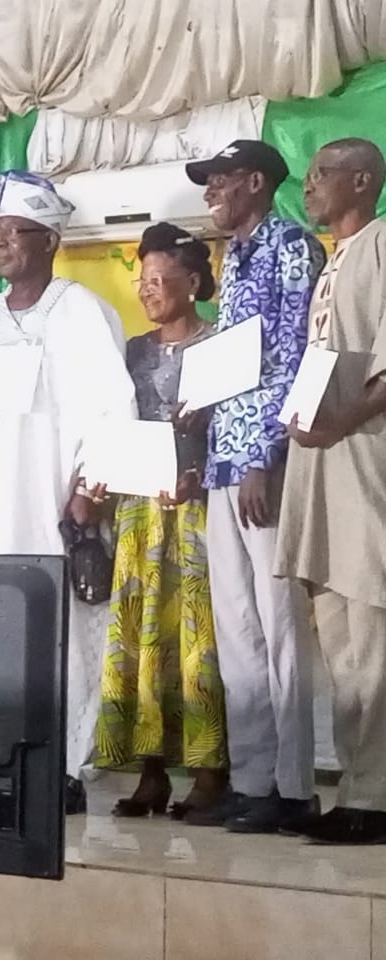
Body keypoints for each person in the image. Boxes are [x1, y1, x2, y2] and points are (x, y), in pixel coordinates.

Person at [0, 171, 136, 813]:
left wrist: (87, 492)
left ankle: (66, 766)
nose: (0, 244)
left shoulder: (80, 310)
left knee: (63, 638)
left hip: (52, 504)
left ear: (49, 240)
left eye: (14, 233)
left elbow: (114, 408)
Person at [183, 140, 325, 832]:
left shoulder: (290, 247)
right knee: (237, 631)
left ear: (257, 182)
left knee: (281, 628)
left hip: (265, 464)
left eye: (220, 180)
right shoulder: (232, 256)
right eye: (206, 181)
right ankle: (253, 779)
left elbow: (295, 353)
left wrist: (266, 454)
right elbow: (236, 363)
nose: (210, 191)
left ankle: (295, 787)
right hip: (222, 462)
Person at [94, 223, 228, 818]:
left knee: (200, 641)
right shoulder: (132, 353)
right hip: (140, 513)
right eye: (141, 280)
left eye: (159, 278)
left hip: (198, 511)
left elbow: (237, 427)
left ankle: (208, 771)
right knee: (142, 638)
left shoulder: (221, 345)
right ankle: (150, 769)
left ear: (193, 281)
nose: (147, 290)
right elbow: (113, 425)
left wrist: (202, 469)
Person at [278, 138, 386, 844]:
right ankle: (355, 784)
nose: (310, 184)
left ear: (363, 180)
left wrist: (339, 422)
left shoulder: (380, 245)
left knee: (372, 631)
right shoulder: (332, 260)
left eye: (323, 173)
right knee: (340, 636)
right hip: (322, 462)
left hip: (363, 459)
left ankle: (375, 796)